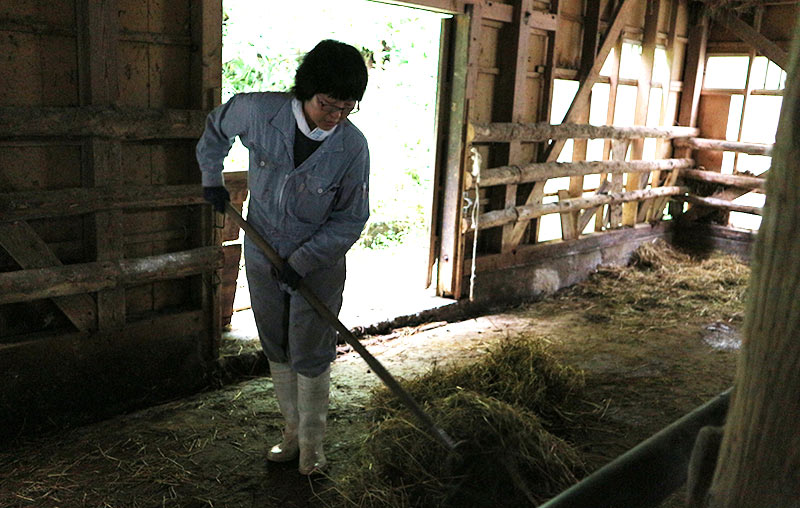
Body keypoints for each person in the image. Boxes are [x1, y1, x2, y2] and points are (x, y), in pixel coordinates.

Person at [196, 39, 370, 475]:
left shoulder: (352, 147)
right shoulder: (258, 112)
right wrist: (211, 177)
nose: (335, 117)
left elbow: (352, 218)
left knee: (311, 348)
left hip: (319, 261)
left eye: (347, 108)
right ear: (305, 92)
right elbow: (217, 129)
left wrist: (306, 260)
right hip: (262, 248)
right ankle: (291, 435)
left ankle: (313, 445)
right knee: (275, 340)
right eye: (328, 105)